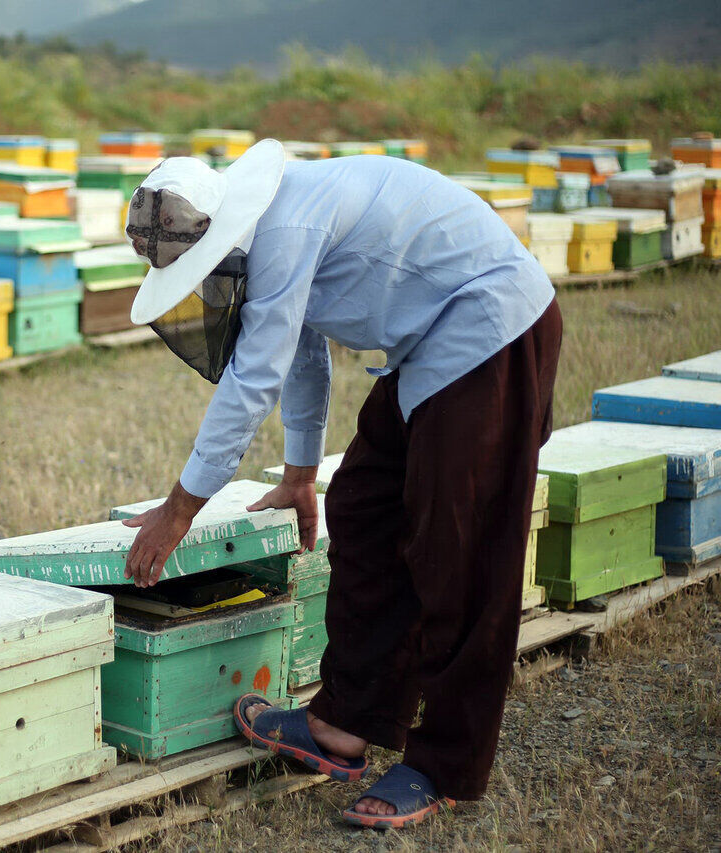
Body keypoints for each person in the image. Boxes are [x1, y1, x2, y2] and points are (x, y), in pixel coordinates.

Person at [119, 140, 562, 829]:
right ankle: (344, 722)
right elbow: (299, 353)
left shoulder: (289, 227)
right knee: (361, 504)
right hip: (433, 342)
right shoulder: (272, 229)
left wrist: (180, 509)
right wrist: (300, 474)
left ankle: (444, 762)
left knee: (461, 554)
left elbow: (254, 378)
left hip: (489, 328)